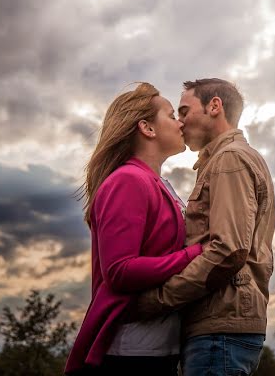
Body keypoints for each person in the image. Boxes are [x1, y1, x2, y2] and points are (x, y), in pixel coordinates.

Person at [134, 78, 275, 376]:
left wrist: (158, 300)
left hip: (219, 330)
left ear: (214, 106)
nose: (181, 122)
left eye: (184, 111)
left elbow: (228, 249)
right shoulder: (227, 159)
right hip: (222, 329)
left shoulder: (229, 160)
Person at [66, 83, 202, 375]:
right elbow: (120, 270)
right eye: (170, 115)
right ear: (147, 128)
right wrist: (195, 255)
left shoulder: (156, 183)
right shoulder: (127, 180)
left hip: (159, 348)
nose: (180, 122)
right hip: (130, 352)